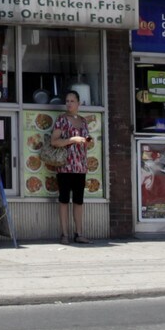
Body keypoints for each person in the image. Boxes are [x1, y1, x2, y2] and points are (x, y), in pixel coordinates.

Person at [48, 90, 93, 245]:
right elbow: (54, 141)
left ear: (78, 103)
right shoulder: (61, 120)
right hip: (65, 166)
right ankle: (64, 234)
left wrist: (87, 140)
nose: (69, 103)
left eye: (72, 101)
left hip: (80, 166)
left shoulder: (83, 120)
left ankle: (79, 233)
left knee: (79, 201)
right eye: (67, 101)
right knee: (64, 200)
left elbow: (88, 139)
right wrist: (72, 139)